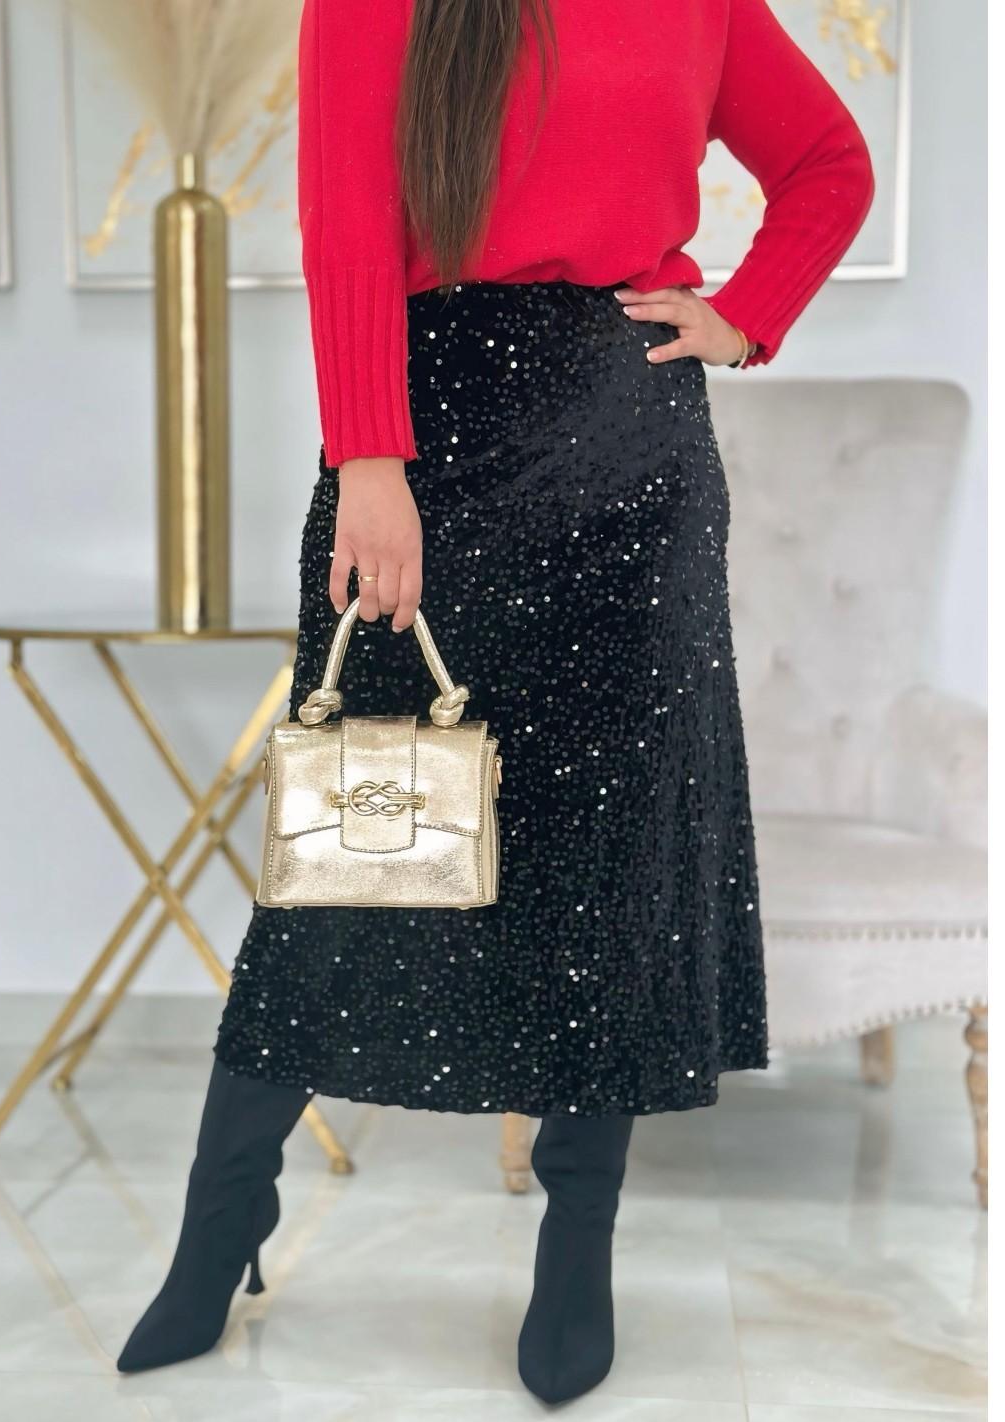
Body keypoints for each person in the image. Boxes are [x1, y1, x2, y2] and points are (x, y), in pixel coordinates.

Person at [117, 0, 874, 1403]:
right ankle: (223, 1218)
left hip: (633, 472)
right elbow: (348, 218)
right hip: (428, 455)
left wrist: (746, 316)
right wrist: (369, 457)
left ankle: (577, 1246)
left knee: (605, 873)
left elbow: (830, 161)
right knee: (351, 857)